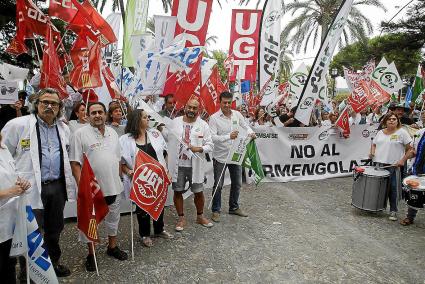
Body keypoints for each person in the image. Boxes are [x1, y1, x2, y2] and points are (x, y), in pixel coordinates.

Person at [1, 88, 76, 277]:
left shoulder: (64, 128)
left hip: (57, 187)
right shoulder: (17, 125)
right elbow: (3, 154)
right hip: (30, 188)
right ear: (37, 104)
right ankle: (29, 272)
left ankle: (53, 264)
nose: (49, 106)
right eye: (45, 102)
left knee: (55, 229)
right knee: (31, 233)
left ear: (60, 108)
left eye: (54, 103)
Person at [70, 102, 128, 272]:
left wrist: (119, 177)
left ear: (105, 114)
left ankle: (112, 247)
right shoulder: (79, 134)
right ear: (87, 116)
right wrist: (83, 188)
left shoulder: (113, 133)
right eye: (93, 112)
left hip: (113, 186)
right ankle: (91, 254)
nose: (97, 115)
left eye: (100, 112)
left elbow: (118, 159)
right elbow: (75, 163)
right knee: (91, 223)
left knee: (113, 219)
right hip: (92, 189)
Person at [119, 109, 173, 247]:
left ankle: (159, 229)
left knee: (159, 205)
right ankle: (144, 234)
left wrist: (166, 171)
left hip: (157, 178)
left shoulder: (155, 134)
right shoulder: (124, 140)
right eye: (144, 117)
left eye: (148, 117)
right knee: (142, 208)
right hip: (140, 181)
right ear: (137, 120)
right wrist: (129, 172)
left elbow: (164, 154)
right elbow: (122, 163)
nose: (148, 119)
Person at [166, 99, 214, 231]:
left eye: (194, 108)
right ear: (185, 107)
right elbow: (167, 138)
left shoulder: (203, 125)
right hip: (178, 164)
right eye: (190, 107)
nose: (191, 110)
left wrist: (198, 149)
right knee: (178, 191)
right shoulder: (175, 122)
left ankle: (200, 216)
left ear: (198, 110)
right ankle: (181, 218)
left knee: (198, 192)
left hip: (196, 165)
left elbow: (210, 145)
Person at [209, 91, 256, 222]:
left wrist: (251, 132)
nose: (227, 105)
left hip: (235, 155)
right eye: (224, 102)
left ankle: (234, 207)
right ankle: (216, 210)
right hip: (220, 157)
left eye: (229, 103)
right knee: (218, 184)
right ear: (220, 102)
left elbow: (245, 126)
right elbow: (212, 137)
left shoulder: (237, 114)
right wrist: (228, 136)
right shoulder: (214, 118)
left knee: (237, 183)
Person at [369, 112, 413, 221]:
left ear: (397, 121)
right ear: (385, 121)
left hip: (393, 166)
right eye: (389, 119)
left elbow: (410, 149)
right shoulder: (380, 133)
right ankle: (377, 207)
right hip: (379, 164)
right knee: (378, 188)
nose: (392, 120)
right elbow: (374, 144)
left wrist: (402, 160)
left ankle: (393, 210)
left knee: (393, 189)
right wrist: (372, 152)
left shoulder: (402, 132)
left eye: (394, 119)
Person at [0, 133, 31, 283]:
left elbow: (12, 174)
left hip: (9, 223)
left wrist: (21, 182)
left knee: (9, 266)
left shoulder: (3, 147)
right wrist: (8, 192)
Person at [400, 126, 425, 226]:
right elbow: (413, 151)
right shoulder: (420, 132)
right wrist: (403, 159)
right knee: (415, 193)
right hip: (418, 167)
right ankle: (410, 217)